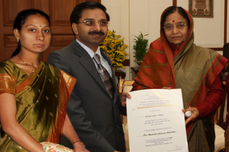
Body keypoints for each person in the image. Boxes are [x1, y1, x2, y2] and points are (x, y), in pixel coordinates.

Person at [131, 6, 228, 152]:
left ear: (190, 27)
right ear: (163, 29)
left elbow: (217, 93)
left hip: (198, 129)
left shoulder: (206, 57)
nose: (175, 31)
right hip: (159, 130)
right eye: (169, 26)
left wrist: (199, 110)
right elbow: (138, 90)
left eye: (180, 25)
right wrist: (156, 94)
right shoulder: (154, 55)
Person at [0, 9, 89, 152]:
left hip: (48, 146)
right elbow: (9, 125)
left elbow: (60, 115)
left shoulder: (53, 73)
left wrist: (77, 142)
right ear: (17, 33)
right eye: (32, 30)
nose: (40, 36)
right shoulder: (6, 71)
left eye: (46, 31)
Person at [47, 1, 131, 152]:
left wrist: (120, 101)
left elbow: (103, 102)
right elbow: (73, 113)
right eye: (89, 22)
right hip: (86, 146)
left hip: (115, 142)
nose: (97, 28)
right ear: (75, 27)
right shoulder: (60, 59)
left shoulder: (105, 58)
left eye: (102, 23)